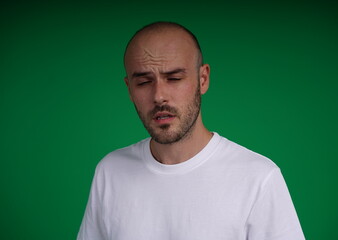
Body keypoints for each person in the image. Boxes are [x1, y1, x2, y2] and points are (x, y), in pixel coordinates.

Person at [77, 21, 305, 240]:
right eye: (144, 82)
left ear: (203, 79)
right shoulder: (110, 171)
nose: (158, 96)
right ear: (129, 89)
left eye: (174, 78)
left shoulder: (258, 178)